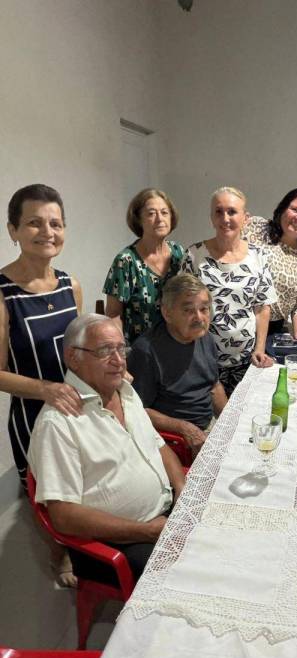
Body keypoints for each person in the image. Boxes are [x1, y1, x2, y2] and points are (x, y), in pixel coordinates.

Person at [28, 314, 185, 584]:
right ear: (73, 357)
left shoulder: (124, 391)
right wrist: (147, 531)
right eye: (104, 351)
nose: (119, 361)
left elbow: (158, 446)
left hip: (164, 515)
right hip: (118, 542)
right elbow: (63, 516)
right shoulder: (58, 423)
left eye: (121, 349)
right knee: (190, 578)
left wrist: (182, 489)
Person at [0, 184, 82, 586]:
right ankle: (59, 551)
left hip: (76, 406)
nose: (47, 232)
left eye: (55, 223)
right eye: (34, 223)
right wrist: (47, 390)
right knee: (49, 494)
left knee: (80, 482)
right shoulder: (3, 294)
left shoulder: (70, 285)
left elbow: (79, 350)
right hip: (33, 415)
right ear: (13, 230)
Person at [181, 187, 276, 396]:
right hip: (203, 360)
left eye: (232, 211)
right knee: (208, 415)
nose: (225, 218)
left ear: (245, 218)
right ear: (211, 218)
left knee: (241, 411)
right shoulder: (194, 255)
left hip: (246, 360)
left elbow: (262, 307)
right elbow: (182, 308)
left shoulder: (258, 256)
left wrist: (259, 348)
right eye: (218, 211)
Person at [128, 274, 227, 458]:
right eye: (188, 310)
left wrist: (230, 422)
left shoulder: (205, 337)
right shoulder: (146, 351)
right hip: (174, 440)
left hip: (206, 428)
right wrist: (183, 427)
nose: (199, 318)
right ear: (167, 313)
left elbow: (214, 386)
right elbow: (135, 409)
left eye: (204, 309)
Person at [103, 188, 185, 345]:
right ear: (139, 220)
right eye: (151, 213)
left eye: (164, 212)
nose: (160, 219)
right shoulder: (125, 261)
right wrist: (121, 351)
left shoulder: (178, 253)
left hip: (176, 346)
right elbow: (113, 315)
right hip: (139, 350)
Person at [243, 187, 297, 339]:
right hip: (241, 324)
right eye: (295, 209)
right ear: (283, 209)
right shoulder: (256, 227)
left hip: (273, 331)